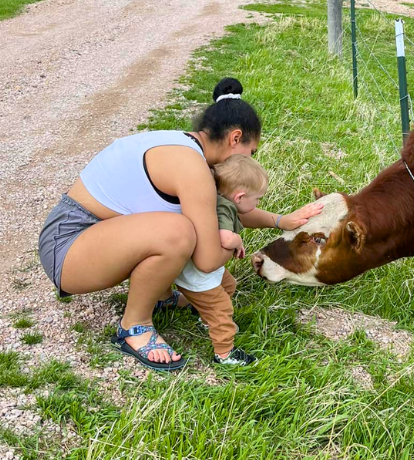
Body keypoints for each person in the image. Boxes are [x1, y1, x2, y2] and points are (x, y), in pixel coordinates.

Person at [37, 77, 323, 371]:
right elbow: (209, 259)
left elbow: (228, 209)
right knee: (180, 233)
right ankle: (134, 326)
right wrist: (233, 243)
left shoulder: (191, 150)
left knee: (187, 229)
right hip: (68, 248)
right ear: (235, 138)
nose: (251, 159)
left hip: (87, 240)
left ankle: (160, 295)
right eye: (253, 151)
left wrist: (281, 221)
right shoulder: (192, 167)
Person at [175, 154, 268, 367]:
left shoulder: (215, 199)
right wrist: (237, 240)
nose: (258, 203)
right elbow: (225, 238)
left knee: (229, 285)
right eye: (257, 199)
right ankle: (225, 353)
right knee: (222, 311)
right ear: (240, 197)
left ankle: (204, 315)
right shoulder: (224, 208)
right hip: (200, 278)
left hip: (196, 270)